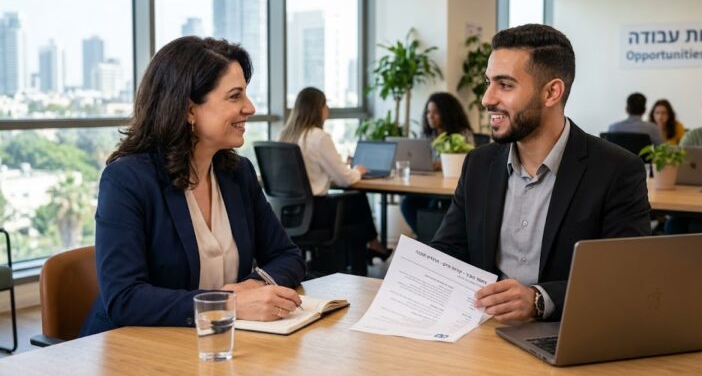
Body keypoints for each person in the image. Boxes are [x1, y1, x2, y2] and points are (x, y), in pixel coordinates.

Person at [80, 37, 306, 337]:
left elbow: (287, 256)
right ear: (188, 109)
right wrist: (228, 304)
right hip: (135, 351)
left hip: (219, 345)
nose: (249, 107)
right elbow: (124, 298)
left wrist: (253, 285)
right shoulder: (128, 179)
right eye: (235, 96)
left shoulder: (238, 174)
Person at [430, 24, 651, 323]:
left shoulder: (616, 170)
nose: (486, 98)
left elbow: (626, 278)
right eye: (488, 82)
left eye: (505, 85)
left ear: (551, 92)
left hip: (566, 333)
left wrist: (539, 299)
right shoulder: (479, 164)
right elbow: (448, 249)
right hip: (483, 332)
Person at [278, 87, 391, 272]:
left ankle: (372, 248)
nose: (327, 109)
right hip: (315, 213)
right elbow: (346, 180)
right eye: (325, 104)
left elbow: (309, 173)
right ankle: (369, 253)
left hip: (288, 214)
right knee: (358, 201)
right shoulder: (319, 137)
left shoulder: (284, 135)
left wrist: (336, 168)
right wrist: (357, 170)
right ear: (317, 108)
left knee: (355, 205)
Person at [400, 92, 475, 237]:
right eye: (428, 112)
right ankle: (427, 240)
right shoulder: (427, 135)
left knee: (432, 206)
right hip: (427, 186)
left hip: (450, 188)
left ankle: (433, 242)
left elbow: (466, 162)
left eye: (436, 112)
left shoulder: (462, 134)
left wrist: (441, 165)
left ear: (447, 113)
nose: (430, 116)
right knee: (407, 204)